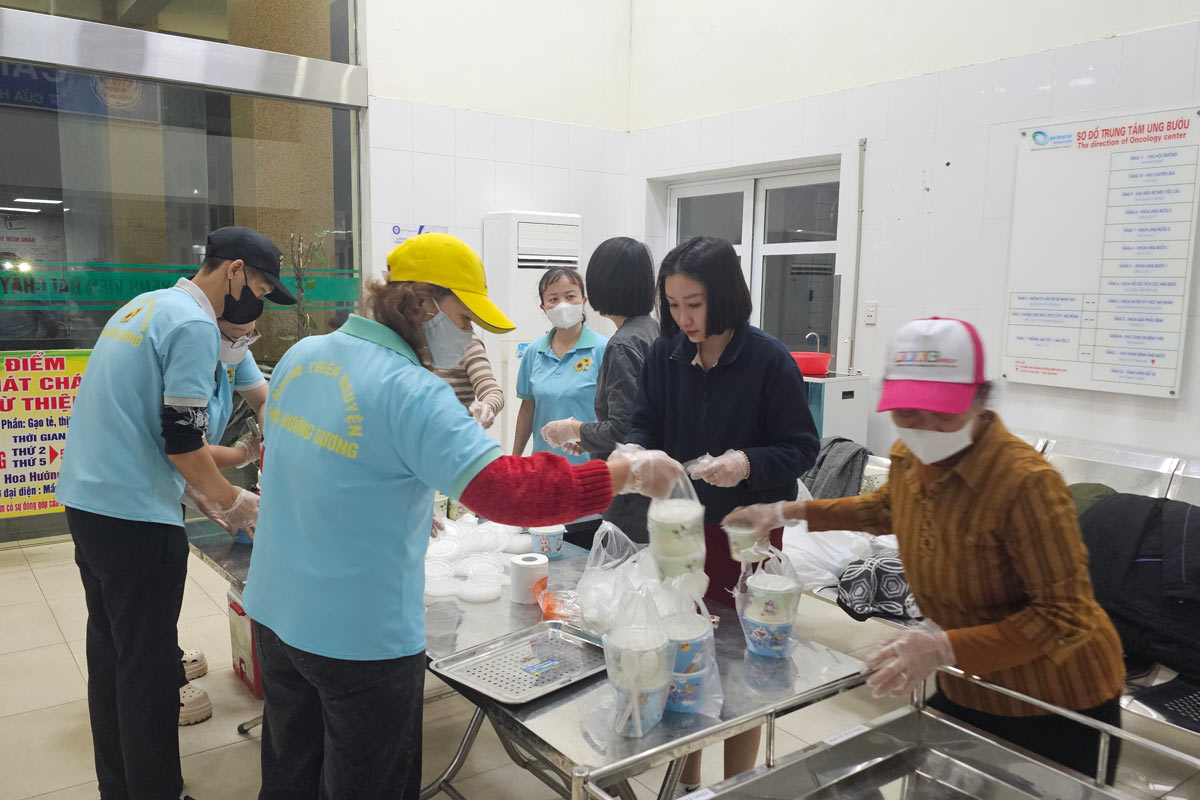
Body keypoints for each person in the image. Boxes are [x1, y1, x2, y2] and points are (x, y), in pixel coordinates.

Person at [242, 233, 685, 800]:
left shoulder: (302, 357)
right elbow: (511, 492)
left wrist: (390, 502)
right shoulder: (411, 389)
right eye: (464, 318)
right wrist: (624, 473)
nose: (470, 335)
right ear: (421, 303)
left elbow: (300, 465)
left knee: (290, 775)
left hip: (275, 613)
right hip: (358, 637)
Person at [723, 317, 1126, 784]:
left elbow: (1062, 618)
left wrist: (940, 647)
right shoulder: (910, 458)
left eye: (944, 412)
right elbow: (885, 507)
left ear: (981, 399)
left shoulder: (1026, 484)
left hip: (1056, 702)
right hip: (970, 682)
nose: (925, 428)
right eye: (908, 412)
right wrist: (785, 512)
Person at [55, 226, 295, 800]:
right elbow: (183, 442)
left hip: (90, 505)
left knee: (113, 657)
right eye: (261, 290)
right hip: (135, 518)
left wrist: (204, 486)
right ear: (234, 272)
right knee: (149, 668)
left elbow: (150, 420)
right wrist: (233, 500)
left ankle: (120, 787)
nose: (259, 305)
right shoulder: (194, 326)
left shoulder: (147, 306)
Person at [624, 235, 820, 791]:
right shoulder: (664, 356)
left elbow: (802, 447)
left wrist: (745, 463)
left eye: (695, 304)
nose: (683, 318)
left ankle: (739, 785)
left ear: (725, 297)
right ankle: (687, 784)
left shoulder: (767, 360)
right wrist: (633, 452)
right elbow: (643, 424)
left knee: (743, 667)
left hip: (745, 536)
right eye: (673, 305)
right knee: (683, 656)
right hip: (680, 533)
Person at [177, 309, 270, 726]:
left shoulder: (235, 353)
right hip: (132, 496)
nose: (243, 341)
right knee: (144, 595)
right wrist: (233, 478)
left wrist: (268, 437)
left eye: (250, 334)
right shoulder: (188, 352)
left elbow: (263, 399)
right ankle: (161, 682)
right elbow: (181, 442)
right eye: (236, 333)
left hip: (171, 480)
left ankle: (166, 657)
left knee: (163, 584)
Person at [540, 237, 659, 541]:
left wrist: (573, 429)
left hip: (631, 499)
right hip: (653, 486)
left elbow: (623, 430)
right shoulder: (651, 330)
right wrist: (588, 439)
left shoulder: (622, 345)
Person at [512, 266, 607, 465]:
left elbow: (614, 415)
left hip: (589, 466)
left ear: (584, 301)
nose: (562, 305)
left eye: (570, 296)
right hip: (543, 465)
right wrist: (515, 459)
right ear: (543, 307)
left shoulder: (603, 349)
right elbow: (527, 410)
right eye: (553, 299)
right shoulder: (534, 352)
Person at [433, 334, 504, 429]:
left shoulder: (468, 344)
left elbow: (492, 392)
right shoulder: (417, 344)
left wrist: (488, 406)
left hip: (454, 433)